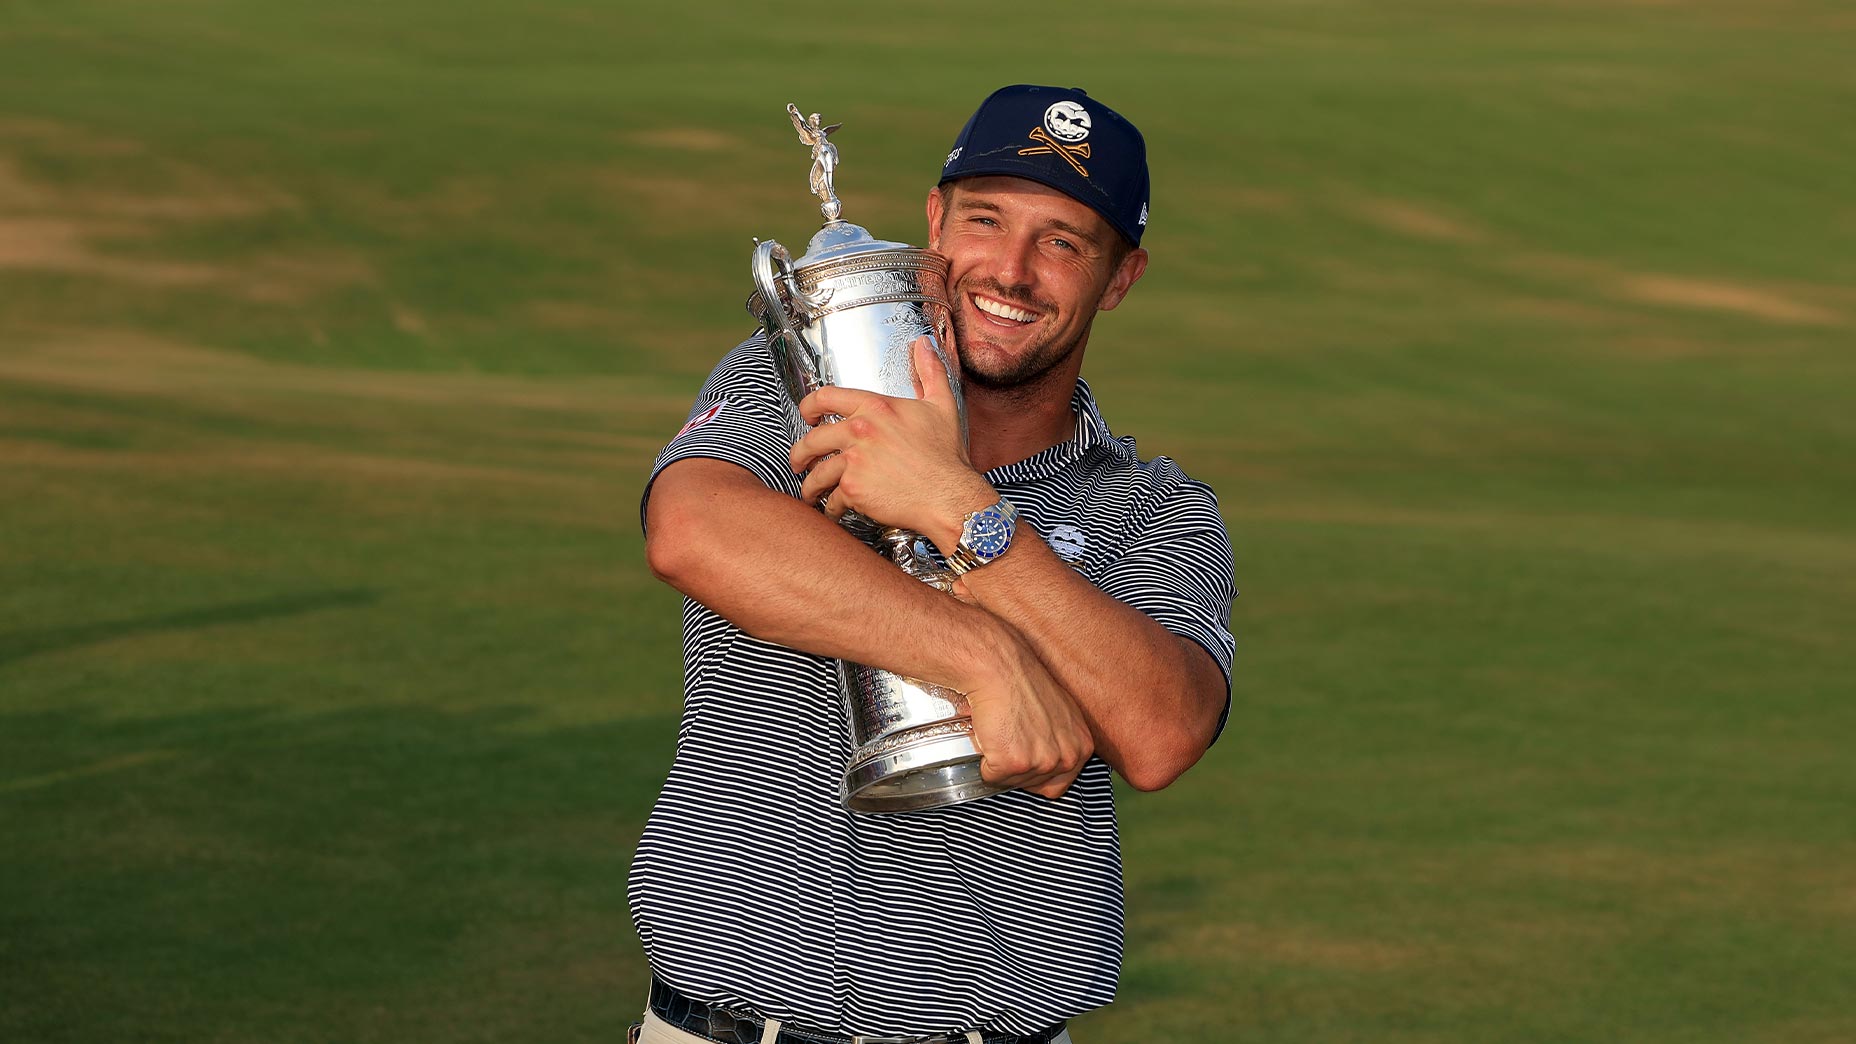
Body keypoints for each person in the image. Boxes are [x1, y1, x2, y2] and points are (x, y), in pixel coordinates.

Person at [635, 84, 1237, 1044]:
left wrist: (957, 507)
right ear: (933, 222)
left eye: (1063, 242)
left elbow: (1162, 731)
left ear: (1120, 278)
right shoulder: (801, 378)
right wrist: (984, 658)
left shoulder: (1153, 504)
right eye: (985, 220)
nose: (1011, 270)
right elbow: (694, 530)